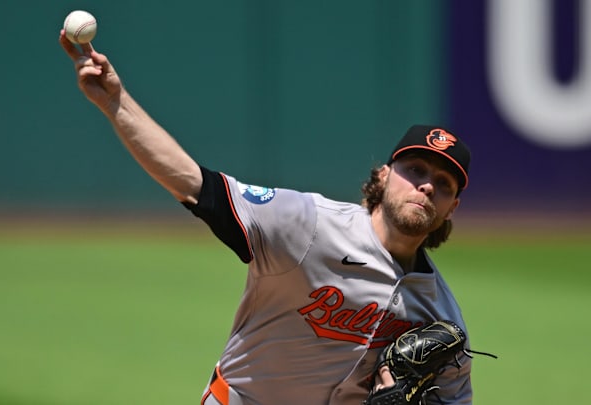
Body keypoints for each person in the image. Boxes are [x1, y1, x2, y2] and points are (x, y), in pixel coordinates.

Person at [60, 31, 477, 405]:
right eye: (415, 170)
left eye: (443, 183)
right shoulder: (310, 226)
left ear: (452, 208)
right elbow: (194, 185)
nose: (426, 186)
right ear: (384, 177)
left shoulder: (441, 316)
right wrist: (116, 103)